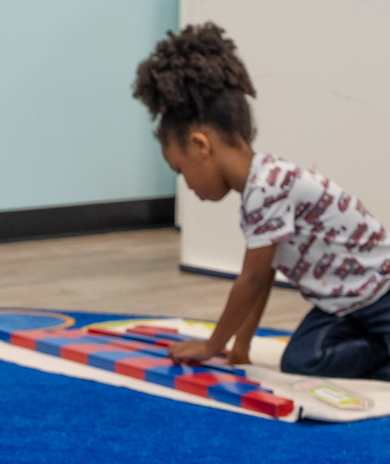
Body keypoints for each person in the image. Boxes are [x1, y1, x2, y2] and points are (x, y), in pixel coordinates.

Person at [134, 23, 390, 378]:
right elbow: (265, 274)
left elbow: (251, 280)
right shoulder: (261, 187)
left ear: (200, 146)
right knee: (301, 361)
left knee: (313, 360)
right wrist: (241, 346)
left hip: (381, 294)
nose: (187, 184)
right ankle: (378, 348)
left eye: (181, 170)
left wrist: (212, 346)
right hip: (343, 306)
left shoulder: (267, 188)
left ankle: (380, 347)